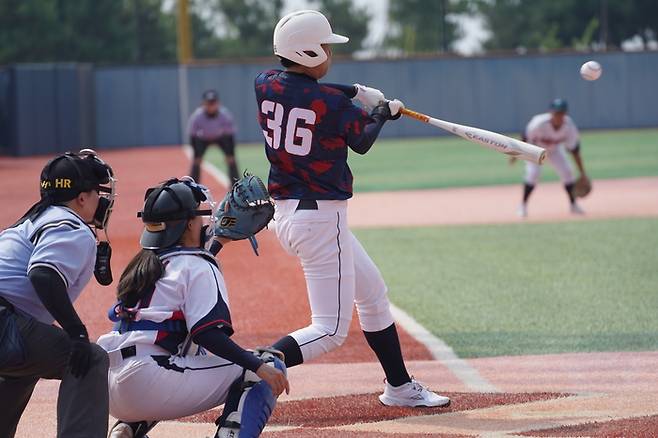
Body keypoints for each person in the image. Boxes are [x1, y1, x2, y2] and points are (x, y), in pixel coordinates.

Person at [254, 10, 450, 408]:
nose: (329, 53)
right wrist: (383, 112)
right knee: (329, 331)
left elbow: (307, 91)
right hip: (321, 219)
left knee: (374, 294)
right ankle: (250, 367)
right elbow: (361, 140)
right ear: (308, 51)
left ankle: (399, 386)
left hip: (291, 214)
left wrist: (357, 91)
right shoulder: (329, 103)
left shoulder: (265, 83)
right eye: (325, 47)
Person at [102, 177, 288, 438]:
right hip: (150, 382)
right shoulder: (198, 267)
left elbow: (186, 272)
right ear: (189, 224)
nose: (205, 222)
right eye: (199, 217)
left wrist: (218, 242)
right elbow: (207, 334)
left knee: (185, 350)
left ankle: (129, 428)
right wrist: (257, 366)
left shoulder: (143, 264)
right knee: (266, 365)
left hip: (110, 388)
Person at [0, 149, 116, 438]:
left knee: (27, 364)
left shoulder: (33, 221)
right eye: (97, 193)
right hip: (4, 325)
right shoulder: (72, 225)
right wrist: (76, 332)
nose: (102, 200)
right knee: (90, 359)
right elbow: (43, 273)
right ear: (81, 198)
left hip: (7, 323)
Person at [516, 98, 589, 217]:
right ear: (551, 112)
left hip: (554, 151)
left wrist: (582, 173)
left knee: (567, 172)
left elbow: (574, 150)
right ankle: (523, 205)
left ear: (565, 113)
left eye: (561, 113)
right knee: (533, 174)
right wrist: (515, 156)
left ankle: (573, 205)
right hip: (535, 150)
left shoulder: (569, 126)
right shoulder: (538, 123)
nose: (558, 116)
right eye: (556, 113)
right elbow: (524, 138)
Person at [188, 90, 240, 183]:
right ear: (204, 103)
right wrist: (196, 154)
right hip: (203, 139)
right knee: (196, 161)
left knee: (231, 159)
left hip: (220, 138)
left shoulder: (224, 115)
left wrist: (230, 153)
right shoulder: (197, 116)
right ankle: (193, 185)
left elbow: (230, 135)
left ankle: (236, 184)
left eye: (213, 102)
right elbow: (193, 135)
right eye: (209, 103)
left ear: (218, 103)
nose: (211, 106)